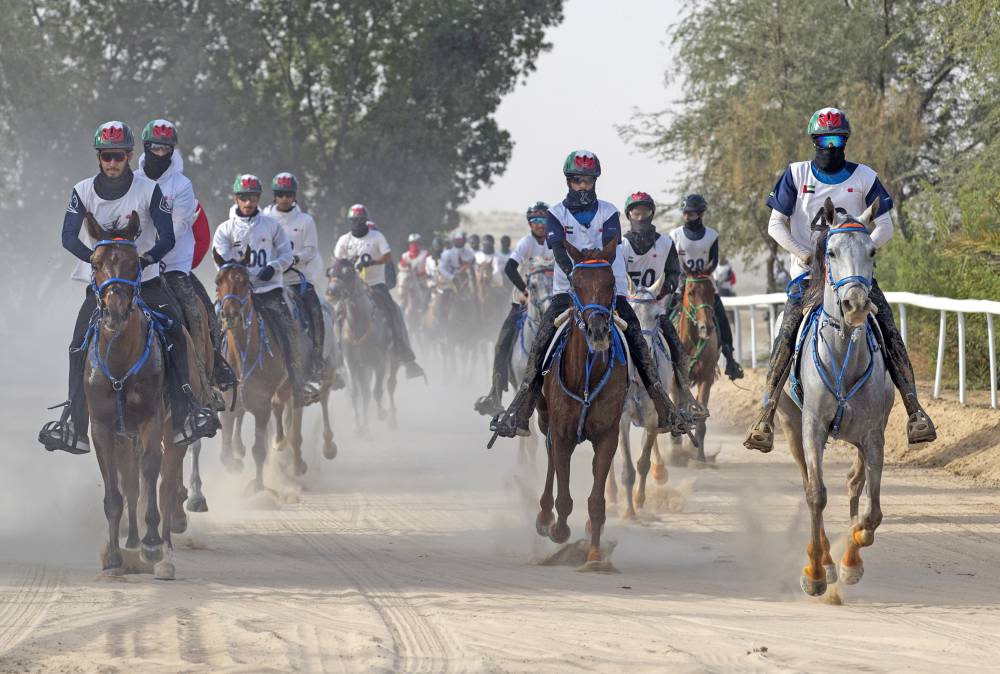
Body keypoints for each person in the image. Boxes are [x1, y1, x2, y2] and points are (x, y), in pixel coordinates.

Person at [744, 106, 936, 451]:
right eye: (823, 140)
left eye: (837, 140)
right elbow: (776, 223)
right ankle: (765, 413)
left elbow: (885, 225)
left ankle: (914, 409)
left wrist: (859, 254)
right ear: (813, 141)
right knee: (787, 332)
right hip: (808, 275)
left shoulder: (864, 177)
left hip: (853, 277)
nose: (831, 147)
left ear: (845, 140)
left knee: (889, 329)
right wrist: (804, 254)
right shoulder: (795, 174)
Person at [38, 121, 220, 454]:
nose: (112, 163)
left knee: (178, 334)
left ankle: (185, 417)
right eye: (106, 156)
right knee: (77, 346)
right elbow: (67, 236)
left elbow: (166, 235)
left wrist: (147, 258)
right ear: (98, 157)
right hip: (103, 288)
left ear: (129, 156)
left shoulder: (148, 190)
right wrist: (94, 260)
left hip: (145, 282)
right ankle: (74, 426)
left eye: (119, 156)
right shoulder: (82, 190)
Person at [490, 150, 691, 438]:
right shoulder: (555, 215)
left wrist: (598, 282)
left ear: (595, 181)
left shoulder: (609, 212)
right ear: (569, 181)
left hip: (612, 290)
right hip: (566, 291)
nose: (583, 186)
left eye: (588, 180)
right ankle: (520, 411)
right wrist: (576, 278)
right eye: (577, 180)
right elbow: (559, 252)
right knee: (540, 344)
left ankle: (664, 408)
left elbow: (610, 248)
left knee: (639, 343)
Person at [137, 118, 236, 394]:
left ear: (171, 150)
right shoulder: (132, 183)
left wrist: (153, 249)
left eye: (165, 148)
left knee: (198, 312)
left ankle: (212, 371)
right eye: (154, 147)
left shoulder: (182, 185)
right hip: (137, 269)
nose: (159, 153)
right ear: (145, 147)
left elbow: (180, 226)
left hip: (173, 268)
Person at [214, 174, 321, 406]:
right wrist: (237, 275)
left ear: (258, 198)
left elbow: (285, 254)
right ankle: (209, 384)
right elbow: (220, 261)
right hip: (236, 291)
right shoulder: (225, 228)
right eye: (243, 198)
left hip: (268, 290)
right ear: (236, 199)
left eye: (252, 198)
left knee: (288, 329)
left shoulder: (271, 225)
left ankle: (298, 382)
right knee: (213, 326)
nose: (248, 203)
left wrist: (273, 267)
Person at [620, 191, 709, 419]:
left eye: (645, 212)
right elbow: (615, 277)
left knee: (678, 349)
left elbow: (673, 274)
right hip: (627, 309)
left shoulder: (665, 243)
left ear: (651, 214)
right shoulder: (621, 246)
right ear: (629, 215)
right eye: (636, 213)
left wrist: (662, 290)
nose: (640, 217)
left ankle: (683, 399)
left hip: (654, 308)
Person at [474, 202, 554, 416]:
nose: (540, 225)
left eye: (544, 220)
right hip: (522, 303)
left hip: (552, 303)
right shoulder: (526, 242)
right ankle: (495, 394)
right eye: (536, 221)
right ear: (530, 223)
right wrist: (525, 291)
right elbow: (510, 267)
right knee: (502, 344)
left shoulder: (555, 242)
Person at [333, 204, 425, 379]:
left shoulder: (376, 237)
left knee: (394, 310)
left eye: (360, 220)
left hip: (375, 285)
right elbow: (339, 262)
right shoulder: (344, 240)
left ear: (365, 221)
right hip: (351, 288)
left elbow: (387, 256)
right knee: (336, 313)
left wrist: (372, 262)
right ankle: (336, 357)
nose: (356, 223)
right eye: (353, 220)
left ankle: (406, 355)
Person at [667, 194, 744, 381]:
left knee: (721, 319)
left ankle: (730, 358)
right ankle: (660, 358)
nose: (686, 216)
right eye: (685, 213)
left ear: (700, 214)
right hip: (681, 286)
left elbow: (714, 260)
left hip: (705, 285)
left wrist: (701, 274)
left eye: (691, 213)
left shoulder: (711, 236)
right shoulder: (674, 235)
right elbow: (671, 262)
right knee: (665, 316)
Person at [261, 172, 327, 382]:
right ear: (274, 195)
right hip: (271, 282)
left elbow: (311, 250)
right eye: (280, 194)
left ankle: (317, 359)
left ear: (294, 195)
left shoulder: (306, 220)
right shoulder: (265, 218)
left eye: (288, 194)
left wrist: (291, 259)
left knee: (316, 312)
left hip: (298, 280)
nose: (284, 199)